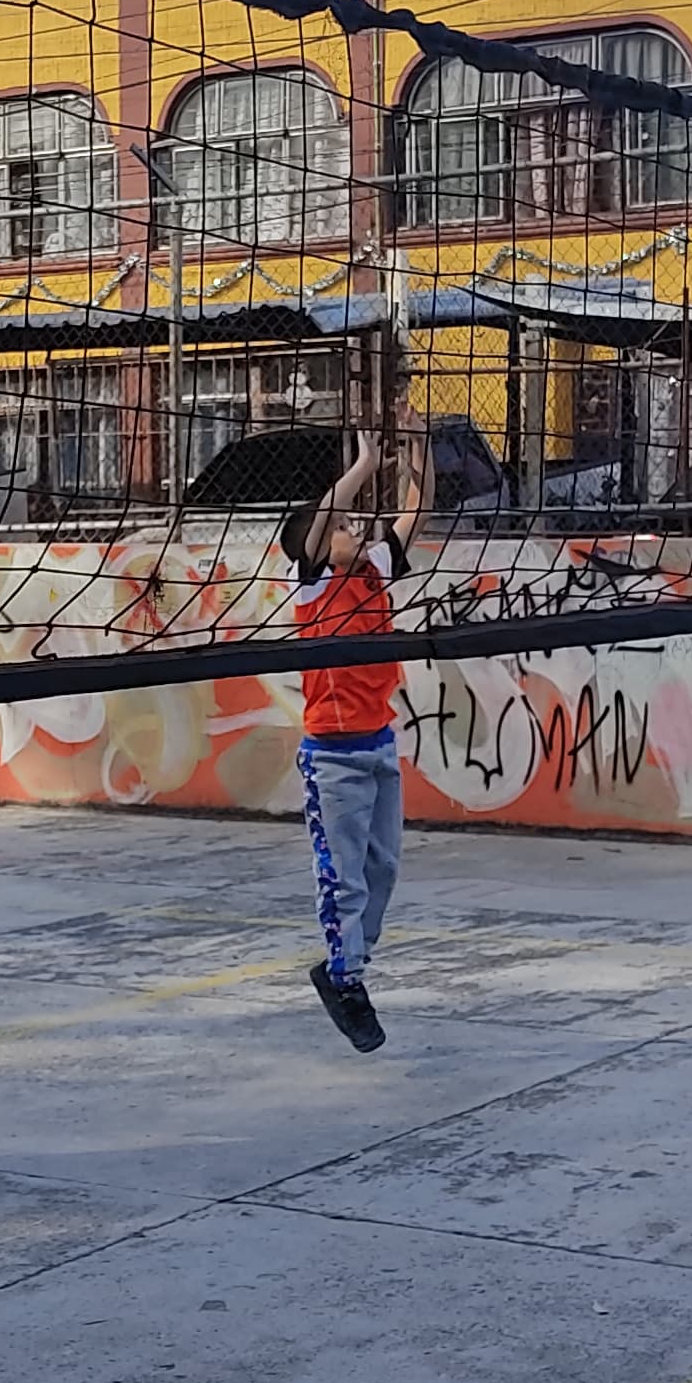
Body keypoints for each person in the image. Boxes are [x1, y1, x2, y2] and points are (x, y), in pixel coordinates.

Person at [279, 426, 429, 1055]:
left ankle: (346, 965)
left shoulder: (374, 570)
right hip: (333, 756)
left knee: (383, 870)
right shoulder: (309, 581)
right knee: (345, 880)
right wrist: (364, 465)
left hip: (379, 744)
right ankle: (346, 978)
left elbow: (418, 506)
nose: (355, 530)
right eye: (346, 526)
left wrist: (418, 448)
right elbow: (323, 519)